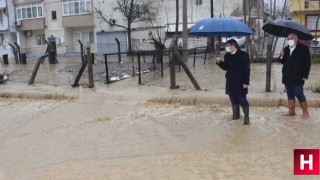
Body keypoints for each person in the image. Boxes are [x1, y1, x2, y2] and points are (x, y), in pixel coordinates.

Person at [216, 39, 251, 125]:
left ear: (233, 45)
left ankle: (246, 117)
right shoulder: (227, 56)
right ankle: (236, 116)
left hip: (240, 82)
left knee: (242, 100)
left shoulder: (243, 55)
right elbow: (225, 67)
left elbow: (247, 70)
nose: (227, 47)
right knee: (233, 100)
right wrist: (219, 62)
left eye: (228, 45)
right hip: (230, 82)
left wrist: (246, 82)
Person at [279, 33, 311, 119]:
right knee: (290, 93)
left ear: (296, 39)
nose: (289, 40)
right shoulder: (285, 49)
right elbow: (282, 62)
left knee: (299, 93)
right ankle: (291, 111)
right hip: (287, 75)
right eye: (288, 39)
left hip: (298, 76)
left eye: (291, 38)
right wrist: (281, 56)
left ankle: (305, 113)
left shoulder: (304, 49)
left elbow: (307, 63)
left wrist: (305, 75)